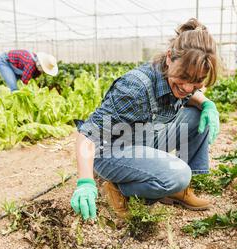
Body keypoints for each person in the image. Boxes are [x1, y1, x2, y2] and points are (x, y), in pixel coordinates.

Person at [70, 18, 220, 221]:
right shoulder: (134, 89)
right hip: (111, 151)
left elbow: (191, 92)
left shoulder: (180, 79)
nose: (187, 88)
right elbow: (88, 134)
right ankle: (122, 188)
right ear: (169, 58)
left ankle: (179, 189)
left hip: (142, 137)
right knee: (179, 174)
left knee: (197, 116)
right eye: (184, 77)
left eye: (197, 82)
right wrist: (85, 182)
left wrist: (207, 104)